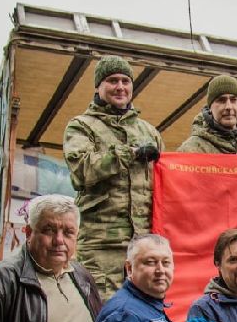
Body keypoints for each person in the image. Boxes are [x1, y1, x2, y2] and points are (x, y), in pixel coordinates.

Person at [64, 55, 163, 299]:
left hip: (143, 245)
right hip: (101, 248)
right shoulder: (81, 126)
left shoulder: (149, 132)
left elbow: (166, 182)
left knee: (144, 310)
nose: (120, 87)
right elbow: (81, 170)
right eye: (112, 81)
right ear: (98, 86)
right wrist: (131, 153)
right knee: (101, 311)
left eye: (125, 81)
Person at [178, 74, 237, 155]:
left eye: (233, 100)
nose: (228, 107)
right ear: (210, 108)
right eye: (221, 100)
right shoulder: (192, 149)